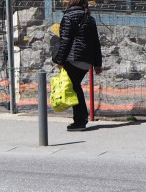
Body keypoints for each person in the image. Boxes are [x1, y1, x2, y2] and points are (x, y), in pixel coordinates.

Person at [52, 0, 102, 132]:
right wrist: (97, 64)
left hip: (74, 59)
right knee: (75, 86)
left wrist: (60, 60)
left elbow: (66, 41)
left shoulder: (68, 17)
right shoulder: (90, 19)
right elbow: (96, 42)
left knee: (74, 88)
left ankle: (80, 120)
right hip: (87, 61)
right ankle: (80, 118)